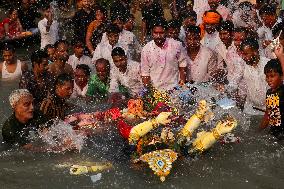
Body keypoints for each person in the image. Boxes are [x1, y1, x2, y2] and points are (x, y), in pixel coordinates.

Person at [141, 18, 187, 91]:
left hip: (174, 89)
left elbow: (182, 65)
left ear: (166, 32)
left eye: (161, 33)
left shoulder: (177, 45)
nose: (158, 36)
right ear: (151, 32)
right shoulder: (146, 49)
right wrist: (149, 92)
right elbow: (145, 73)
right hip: (156, 91)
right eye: (155, 33)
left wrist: (181, 85)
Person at [237, 38, 270, 115]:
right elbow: (236, 82)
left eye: (246, 54)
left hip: (267, 110)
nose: (243, 57)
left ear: (255, 52)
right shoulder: (242, 65)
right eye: (242, 54)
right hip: (250, 109)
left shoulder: (268, 65)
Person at [260, 59, 284, 139]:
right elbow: (268, 115)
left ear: (281, 76)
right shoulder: (270, 93)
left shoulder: (282, 91)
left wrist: (280, 56)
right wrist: (257, 132)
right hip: (275, 133)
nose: (269, 80)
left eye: (272, 76)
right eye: (267, 76)